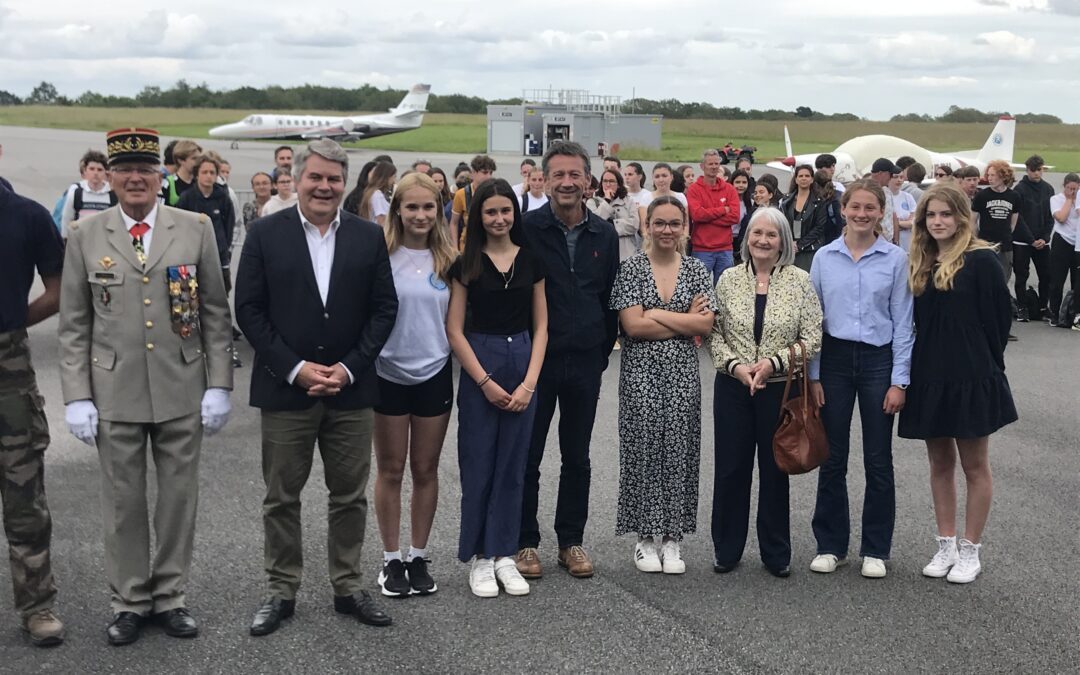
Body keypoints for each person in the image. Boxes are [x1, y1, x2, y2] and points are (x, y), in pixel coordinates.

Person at [58, 128, 233, 645]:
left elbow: (215, 314)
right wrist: (76, 395)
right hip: (114, 391)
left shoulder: (195, 228)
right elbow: (74, 323)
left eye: (146, 169)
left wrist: (219, 383)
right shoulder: (85, 237)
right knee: (122, 503)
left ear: (161, 176)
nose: (136, 178)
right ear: (109, 177)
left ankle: (171, 596)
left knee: (178, 499)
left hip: (181, 385)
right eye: (124, 170)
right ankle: (130, 600)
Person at [235, 139, 398, 636]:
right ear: (298, 178)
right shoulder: (265, 234)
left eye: (333, 178)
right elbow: (249, 310)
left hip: (350, 392)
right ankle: (281, 590)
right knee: (281, 496)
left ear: (344, 182)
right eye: (315, 177)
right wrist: (294, 368)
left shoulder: (368, 237)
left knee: (348, 496)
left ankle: (347, 585)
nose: (324, 186)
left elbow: (383, 309)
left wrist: (349, 368)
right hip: (287, 391)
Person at [898, 182, 1017, 584]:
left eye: (945, 214)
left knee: (975, 465)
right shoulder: (920, 259)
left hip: (971, 374)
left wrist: (985, 366)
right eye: (931, 215)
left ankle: (970, 549)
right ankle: (945, 543)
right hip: (930, 373)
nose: (938, 222)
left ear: (962, 216)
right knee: (939, 463)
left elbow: (1000, 320)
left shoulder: (982, 259)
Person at [515, 141, 619, 580]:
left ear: (587, 180)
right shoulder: (526, 229)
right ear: (544, 179)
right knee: (529, 455)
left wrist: (599, 351)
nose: (566, 183)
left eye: (574, 174)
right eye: (557, 175)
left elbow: (611, 297)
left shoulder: (604, 234)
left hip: (584, 362)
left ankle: (570, 541)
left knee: (577, 456)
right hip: (537, 363)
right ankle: (524, 542)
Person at [807, 180, 914, 579]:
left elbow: (904, 323)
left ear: (880, 212)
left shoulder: (894, 259)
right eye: (856, 207)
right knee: (831, 457)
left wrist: (898, 381)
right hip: (833, 359)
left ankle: (875, 548)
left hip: (877, 361)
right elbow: (813, 321)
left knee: (877, 459)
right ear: (844, 208)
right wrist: (813, 375)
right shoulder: (823, 257)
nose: (862, 214)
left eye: (871, 208)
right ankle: (831, 544)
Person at [446, 178, 548, 597]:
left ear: (515, 214)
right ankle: (480, 558)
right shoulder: (464, 265)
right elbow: (454, 329)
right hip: (481, 362)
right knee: (479, 463)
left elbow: (541, 327)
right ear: (478, 217)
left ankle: (505, 553)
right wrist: (484, 382)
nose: (500, 219)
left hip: (523, 360)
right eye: (491, 212)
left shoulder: (532, 260)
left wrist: (529, 383)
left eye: (506, 211)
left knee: (513, 466)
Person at [708, 207, 822, 578]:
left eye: (771, 235)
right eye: (757, 233)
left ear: (783, 241)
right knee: (731, 470)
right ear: (746, 238)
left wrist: (773, 363)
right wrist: (738, 368)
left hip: (779, 388)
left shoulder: (800, 281)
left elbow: (812, 336)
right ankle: (726, 548)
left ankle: (776, 551)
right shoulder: (726, 279)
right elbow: (714, 333)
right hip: (734, 387)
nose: (763, 241)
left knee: (776, 469)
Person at [610, 197, 716, 574]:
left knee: (679, 450)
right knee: (644, 449)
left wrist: (656, 313)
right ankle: (644, 538)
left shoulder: (697, 270)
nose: (667, 230)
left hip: (684, 374)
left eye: (674, 223)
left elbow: (705, 325)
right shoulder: (633, 268)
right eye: (660, 223)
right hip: (641, 373)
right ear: (648, 225)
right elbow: (632, 327)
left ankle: (672, 538)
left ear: (685, 226)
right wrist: (682, 318)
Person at [372, 173, 458, 598]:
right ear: (398, 210)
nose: (421, 215)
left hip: (435, 372)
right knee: (390, 469)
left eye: (429, 207)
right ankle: (390, 560)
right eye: (412, 207)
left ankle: (418, 554)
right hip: (387, 372)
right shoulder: (379, 254)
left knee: (425, 470)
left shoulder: (449, 259)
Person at [0, 179, 66, 646]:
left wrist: (15, 322)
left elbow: (59, 287)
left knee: (24, 494)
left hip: (8, 365)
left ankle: (37, 606)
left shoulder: (27, 214)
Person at [176, 154, 241, 368]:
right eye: (204, 172)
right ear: (196, 175)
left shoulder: (223, 197)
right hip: (191, 258)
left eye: (213, 172)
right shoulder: (187, 198)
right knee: (189, 303)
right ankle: (192, 349)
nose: (209, 176)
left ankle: (225, 350)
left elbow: (229, 224)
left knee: (219, 303)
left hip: (218, 257)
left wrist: (225, 250)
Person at [687, 149, 741, 283]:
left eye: (716, 164)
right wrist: (723, 209)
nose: (714, 167)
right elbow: (697, 215)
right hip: (702, 249)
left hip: (725, 249)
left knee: (724, 288)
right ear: (702, 166)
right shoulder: (694, 189)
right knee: (699, 288)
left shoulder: (729, 189)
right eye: (710, 164)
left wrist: (708, 216)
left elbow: (734, 217)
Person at [1012, 155, 1055, 321]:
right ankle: (1022, 307)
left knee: (1046, 275)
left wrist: (1044, 238)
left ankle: (1044, 307)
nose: (1036, 173)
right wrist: (1031, 239)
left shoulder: (1048, 189)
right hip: (1022, 241)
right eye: (1033, 170)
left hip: (1042, 242)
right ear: (1027, 170)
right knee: (1021, 275)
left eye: (1039, 170)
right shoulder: (1019, 190)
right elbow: (1018, 218)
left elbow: (1051, 217)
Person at [780, 164, 828, 271]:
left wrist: (800, 245)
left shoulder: (819, 201)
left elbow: (819, 227)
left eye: (807, 176)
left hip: (809, 250)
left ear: (812, 179)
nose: (804, 178)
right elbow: (782, 224)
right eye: (801, 176)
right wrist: (789, 243)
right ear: (796, 179)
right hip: (789, 249)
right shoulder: (786, 201)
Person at [1047, 173, 1080, 326]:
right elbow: (1061, 217)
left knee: (1076, 280)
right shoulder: (1056, 199)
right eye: (1069, 188)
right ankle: (1054, 313)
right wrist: (1069, 200)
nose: (1072, 191)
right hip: (1062, 241)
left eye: (1075, 189)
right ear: (1064, 186)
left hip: (1077, 243)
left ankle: (1072, 313)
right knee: (1057, 280)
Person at [587, 168, 640, 262]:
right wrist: (606, 201)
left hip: (626, 254)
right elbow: (594, 223)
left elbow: (634, 224)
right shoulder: (592, 202)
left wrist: (610, 224)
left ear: (618, 184)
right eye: (605, 181)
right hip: (602, 254)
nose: (608, 184)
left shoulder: (628, 201)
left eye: (611, 181)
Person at [61, 149, 115, 239]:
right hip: (81, 241)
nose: (95, 173)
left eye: (100, 170)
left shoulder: (113, 195)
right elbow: (66, 219)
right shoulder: (76, 193)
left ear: (106, 172)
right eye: (92, 169)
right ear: (85, 171)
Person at [450, 155, 496, 247]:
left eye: (491, 173)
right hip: (467, 246)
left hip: (490, 246)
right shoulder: (461, 194)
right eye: (485, 172)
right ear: (473, 173)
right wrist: (455, 248)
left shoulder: (496, 192)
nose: (489, 176)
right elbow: (454, 223)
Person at [869, 158, 900, 243]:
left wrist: (896, 241)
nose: (891, 178)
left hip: (889, 241)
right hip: (873, 241)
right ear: (881, 173)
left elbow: (893, 217)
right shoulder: (867, 191)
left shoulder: (887, 192)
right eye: (890, 174)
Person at [359, 161, 397, 227]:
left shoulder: (370, 192)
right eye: (394, 177)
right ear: (387, 177)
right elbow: (382, 221)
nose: (394, 181)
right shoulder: (378, 196)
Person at [164, 140, 201, 205]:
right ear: (180, 160)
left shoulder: (200, 183)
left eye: (199, 158)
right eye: (194, 158)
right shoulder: (168, 184)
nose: (198, 162)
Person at [888, 171, 918, 250]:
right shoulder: (884, 197)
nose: (899, 180)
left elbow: (914, 222)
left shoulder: (908, 197)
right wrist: (904, 223)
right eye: (896, 177)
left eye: (901, 177)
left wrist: (896, 223)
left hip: (907, 246)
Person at [622, 162, 651, 226]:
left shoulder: (648, 195)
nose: (627, 177)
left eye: (630, 174)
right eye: (625, 175)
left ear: (639, 177)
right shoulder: (621, 195)